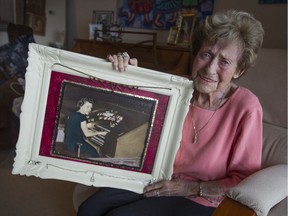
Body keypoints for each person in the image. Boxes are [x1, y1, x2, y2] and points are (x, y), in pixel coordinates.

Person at [77, 9, 264, 216]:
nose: (210, 69)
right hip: (154, 179)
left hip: (201, 198)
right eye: (206, 54)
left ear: (239, 70)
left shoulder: (246, 107)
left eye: (224, 62)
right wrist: (127, 74)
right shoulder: (176, 88)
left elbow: (244, 182)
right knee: (89, 210)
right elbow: (135, 111)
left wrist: (190, 188)